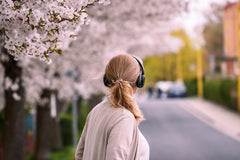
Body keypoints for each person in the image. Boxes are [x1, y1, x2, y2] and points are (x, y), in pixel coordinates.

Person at [75, 54, 150, 160]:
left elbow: (79, 155)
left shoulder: (96, 111)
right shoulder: (124, 118)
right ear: (139, 81)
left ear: (107, 79)